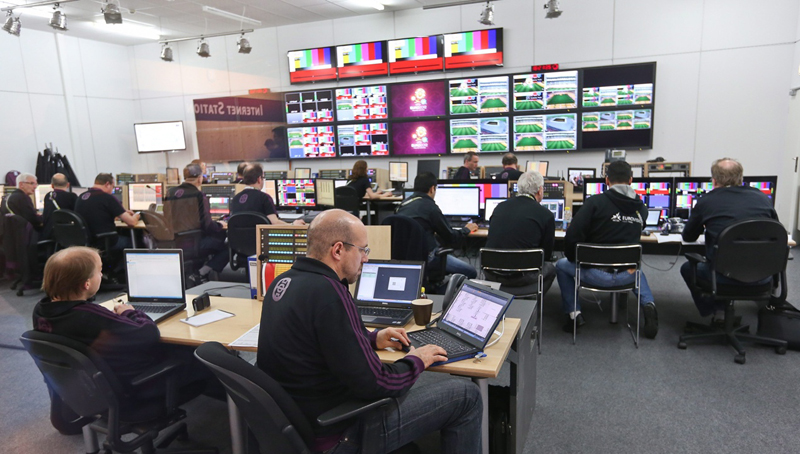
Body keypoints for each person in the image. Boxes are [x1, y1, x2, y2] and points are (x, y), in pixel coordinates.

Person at [257, 210, 482, 453]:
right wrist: (417, 360)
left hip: (298, 423)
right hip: (340, 433)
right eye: (363, 250)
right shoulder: (330, 293)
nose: (366, 259)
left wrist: (373, 338)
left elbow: (322, 342)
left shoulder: (283, 282)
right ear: (338, 250)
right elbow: (379, 382)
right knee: (466, 395)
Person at [32, 247, 213, 406]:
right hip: (133, 385)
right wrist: (130, 312)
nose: (101, 275)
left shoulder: (41, 311)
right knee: (198, 353)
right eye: (99, 271)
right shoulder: (90, 317)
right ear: (86, 284)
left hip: (90, 388)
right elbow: (148, 333)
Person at [555, 161, 659, 339]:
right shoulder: (641, 208)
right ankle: (649, 305)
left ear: (607, 180)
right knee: (637, 270)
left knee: (561, 265)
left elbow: (572, 235)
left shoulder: (594, 203)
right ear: (631, 180)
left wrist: (574, 259)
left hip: (595, 274)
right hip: (627, 275)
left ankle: (574, 314)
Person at [680, 158, 779, 318]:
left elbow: (689, 237)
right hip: (763, 276)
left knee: (687, 268)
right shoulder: (762, 198)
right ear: (741, 178)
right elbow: (776, 232)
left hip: (722, 277)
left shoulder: (707, 201)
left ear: (714, 180)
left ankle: (715, 310)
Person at [396, 172, 478, 280]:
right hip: (428, 257)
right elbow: (451, 237)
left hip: (404, 258)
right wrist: (466, 229)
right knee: (471, 272)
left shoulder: (402, 205)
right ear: (432, 189)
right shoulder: (430, 207)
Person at [486, 170, 556, 293]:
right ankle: (532, 297)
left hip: (492, 272)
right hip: (522, 276)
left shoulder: (499, 207)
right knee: (551, 267)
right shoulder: (546, 215)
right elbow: (546, 255)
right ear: (540, 190)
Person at [164, 163, 228, 285]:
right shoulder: (198, 195)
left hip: (173, 242)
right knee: (227, 246)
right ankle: (201, 273)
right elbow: (207, 226)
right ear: (199, 178)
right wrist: (220, 225)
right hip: (194, 243)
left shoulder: (170, 192)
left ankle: (196, 272)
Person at [74, 173, 139, 252]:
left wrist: (119, 213)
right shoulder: (108, 198)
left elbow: (96, 215)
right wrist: (136, 215)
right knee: (137, 241)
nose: (112, 191)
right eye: (112, 187)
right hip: (106, 242)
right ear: (107, 184)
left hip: (87, 242)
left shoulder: (81, 197)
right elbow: (131, 222)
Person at [229, 163, 304, 225]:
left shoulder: (235, 198)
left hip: (238, 239)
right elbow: (274, 222)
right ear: (259, 179)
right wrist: (292, 225)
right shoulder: (264, 198)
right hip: (260, 238)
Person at [42, 173, 78, 239]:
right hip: (65, 234)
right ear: (68, 185)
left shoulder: (48, 196)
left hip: (48, 233)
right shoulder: (72, 196)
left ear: (52, 185)